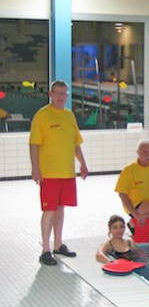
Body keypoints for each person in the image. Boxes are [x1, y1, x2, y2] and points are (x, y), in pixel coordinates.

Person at [30, 80, 89, 266]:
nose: (61, 97)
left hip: (67, 172)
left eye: (64, 93)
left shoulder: (69, 116)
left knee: (61, 208)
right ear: (50, 94)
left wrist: (83, 164)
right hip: (49, 173)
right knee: (49, 210)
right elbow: (34, 144)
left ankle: (58, 244)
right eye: (57, 93)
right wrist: (35, 168)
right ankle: (45, 250)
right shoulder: (42, 116)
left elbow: (75, 144)